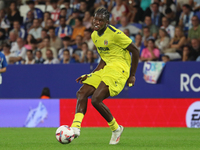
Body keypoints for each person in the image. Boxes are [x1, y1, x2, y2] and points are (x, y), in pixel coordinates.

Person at [70, 7, 139, 145]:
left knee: (96, 99)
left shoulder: (115, 34)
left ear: (107, 22)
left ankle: (116, 129)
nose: (97, 22)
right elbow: (104, 58)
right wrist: (91, 74)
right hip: (106, 68)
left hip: (119, 70)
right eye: (95, 19)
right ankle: (75, 127)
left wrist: (132, 75)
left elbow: (135, 51)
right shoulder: (94, 35)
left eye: (100, 20)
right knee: (81, 93)